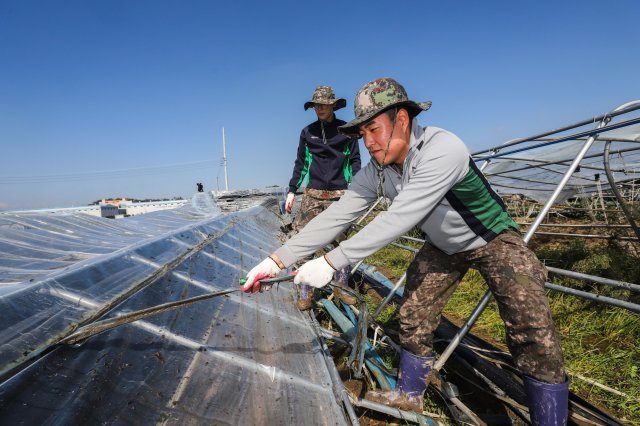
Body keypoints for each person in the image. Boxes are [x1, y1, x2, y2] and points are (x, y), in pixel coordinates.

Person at [242, 78, 568, 424]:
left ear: (402, 120)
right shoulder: (378, 171)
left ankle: (550, 419)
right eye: (362, 134)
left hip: (493, 239)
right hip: (443, 246)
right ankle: (409, 394)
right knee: (412, 313)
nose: (368, 142)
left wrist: (331, 260)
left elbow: (402, 216)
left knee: (531, 327)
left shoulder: (442, 149)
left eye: (374, 129)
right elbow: (340, 213)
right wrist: (276, 260)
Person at [285, 85, 361, 311]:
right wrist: (292, 190)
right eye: (316, 105)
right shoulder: (308, 132)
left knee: (343, 242)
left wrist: (356, 187)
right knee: (302, 240)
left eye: (324, 104)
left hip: (340, 193)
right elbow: (302, 162)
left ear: (333, 105)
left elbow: (355, 161)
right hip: (314, 193)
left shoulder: (347, 130)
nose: (320, 108)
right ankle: (306, 291)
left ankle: (341, 286)